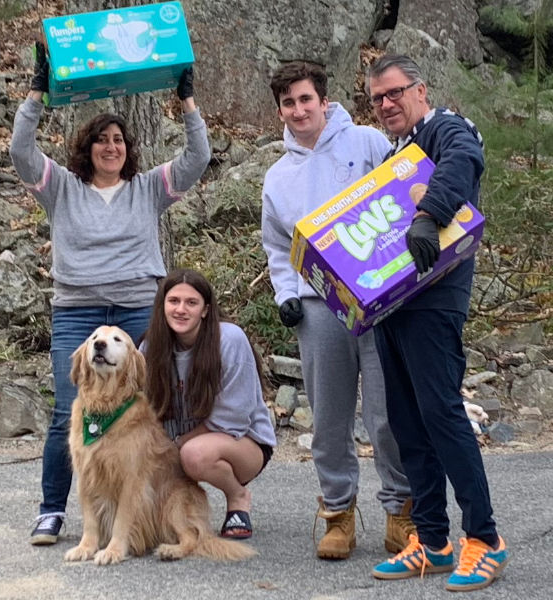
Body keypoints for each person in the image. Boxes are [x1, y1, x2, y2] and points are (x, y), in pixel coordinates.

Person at [10, 42, 211, 545]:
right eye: (101, 139)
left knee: (145, 411)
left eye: (119, 139)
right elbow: (20, 150)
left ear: (128, 148)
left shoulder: (148, 187)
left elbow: (197, 157)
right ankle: (52, 510)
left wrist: (187, 101)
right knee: (66, 411)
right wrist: (37, 89)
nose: (111, 147)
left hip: (138, 311)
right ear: (88, 148)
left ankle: (153, 510)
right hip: (78, 312)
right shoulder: (61, 187)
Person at [261, 60, 414, 560]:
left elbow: (404, 196)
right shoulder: (277, 178)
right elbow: (277, 246)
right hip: (319, 304)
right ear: (280, 110)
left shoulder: (368, 142)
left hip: (380, 296)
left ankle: (402, 508)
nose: (299, 110)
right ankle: (338, 512)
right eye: (289, 103)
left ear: (323, 101)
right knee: (328, 415)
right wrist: (287, 295)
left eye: (306, 99)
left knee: (387, 411)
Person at [366, 54, 508, 591]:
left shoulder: (449, 128)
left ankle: (486, 539)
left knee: (444, 417)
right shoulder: (395, 154)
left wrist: (430, 214)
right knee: (407, 423)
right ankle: (432, 539)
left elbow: (462, 162)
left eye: (394, 93)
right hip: (393, 304)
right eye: (377, 98)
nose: (386, 105)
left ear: (420, 90)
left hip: (436, 300)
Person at [140, 268, 276, 539]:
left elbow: (233, 420)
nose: (181, 309)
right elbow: (144, 412)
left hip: (243, 443)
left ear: (205, 309)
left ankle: (237, 497)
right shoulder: (149, 348)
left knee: (194, 455)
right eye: (174, 301)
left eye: (191, 303)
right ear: (162, 305)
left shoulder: (229, 340)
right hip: (180, 441)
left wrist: (174, 445)